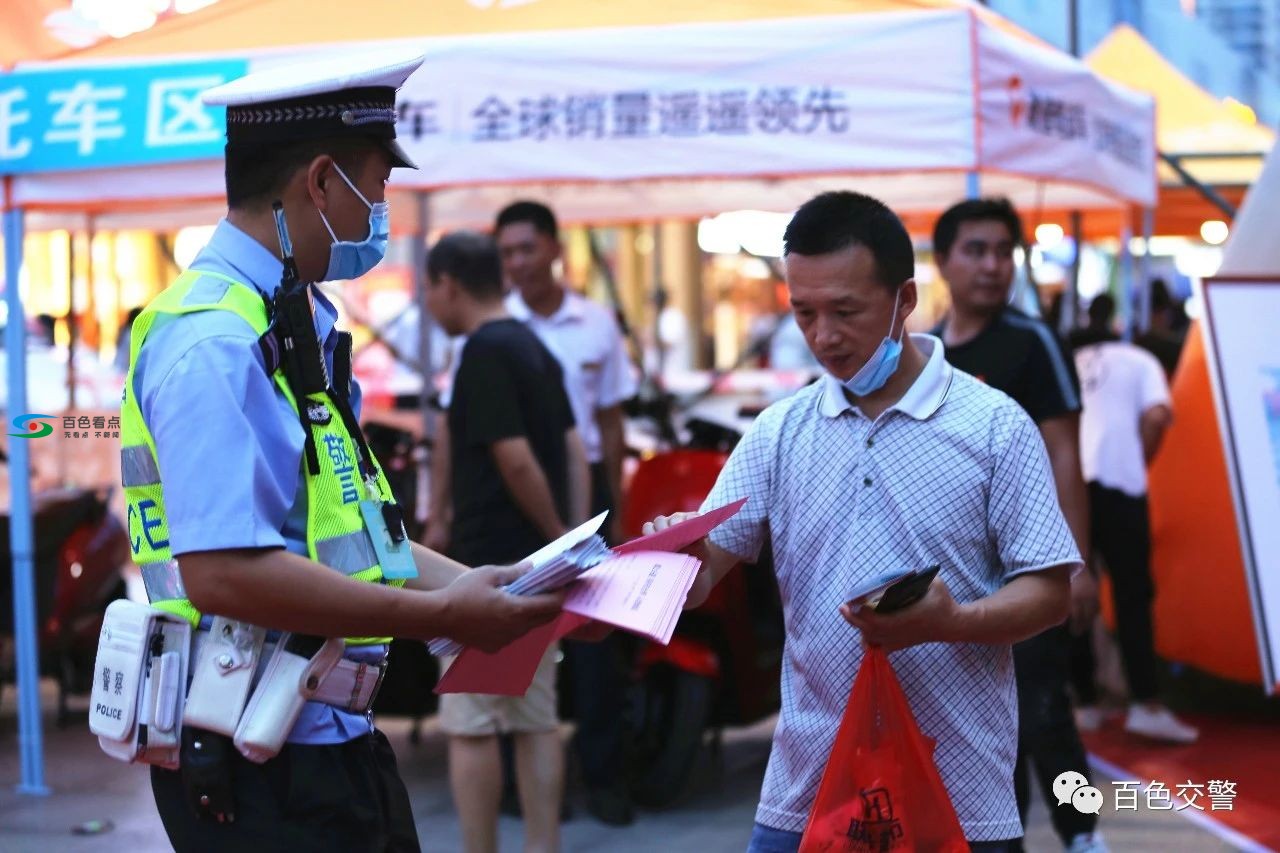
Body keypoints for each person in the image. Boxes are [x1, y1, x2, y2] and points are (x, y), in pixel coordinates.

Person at [125, 55, 565, 852]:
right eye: (378, 187)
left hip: (328, 735)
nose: (380, 215)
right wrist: (441, 615)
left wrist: (494, 591)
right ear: (321, 182)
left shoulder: (296, 322)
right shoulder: (213, 340)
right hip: (254, 756)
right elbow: (221, 569)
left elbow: (361, 538)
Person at [646, 191, 1078, 852]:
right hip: (806, 792)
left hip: (958, 793)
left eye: (846, 311)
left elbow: (1050, 593)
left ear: (904, 299)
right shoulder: (778, 432)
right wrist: (667, 557)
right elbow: (704, 573)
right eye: (804, 312)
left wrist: (952, 622)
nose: (823, 336)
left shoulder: (993, 427)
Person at [427, 200, 639, 825]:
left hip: (485, 562)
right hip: (536, 567)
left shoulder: (485, 351)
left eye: (429, 290)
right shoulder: (533, 346)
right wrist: (568, 539)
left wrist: (555, 537)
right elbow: (576, 447)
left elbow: (515, 458)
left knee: (472, 727)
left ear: (449, 286)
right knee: (535, 719)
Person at [932, 197, 1104, 853]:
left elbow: (1066, 452)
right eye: (976, 250)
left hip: (1030, 572)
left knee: (1045, 713)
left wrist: (1077, 563)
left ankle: (1083, 833)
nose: (993, 265)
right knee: (982, 729)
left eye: (1004, 251)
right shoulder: (928, 356)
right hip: (958, 583)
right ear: (944, 260)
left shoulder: (1032, 342)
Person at [1070, 295, 1198, 743]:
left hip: (1070, 485)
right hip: (1120, 485)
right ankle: (1145, 701)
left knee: (1074, 594)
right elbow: (1158, 415)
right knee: (1133, 594)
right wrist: (1138, 461)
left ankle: (1085, 701)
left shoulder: (1072, 359)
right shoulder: (1142, 360)